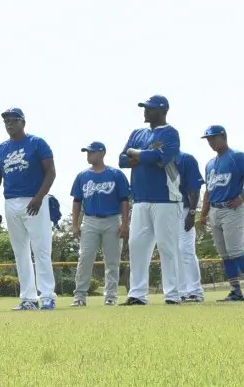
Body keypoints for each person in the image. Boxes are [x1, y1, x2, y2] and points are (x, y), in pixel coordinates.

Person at [0, 107, 57, 311]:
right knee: (20, 251)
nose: (9, 124)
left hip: (34, 200)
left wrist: (40, 197)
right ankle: (28, 298)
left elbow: (51, 172)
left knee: (41, 249)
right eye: (6, 121)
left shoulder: (36, 143)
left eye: (13, 120)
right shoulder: (0, 149)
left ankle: (48, 296)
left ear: (23, 122)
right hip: (11, 201)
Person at [119, 94, 184, 306]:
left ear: (162, 110)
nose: (145, 111)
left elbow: (159, 158)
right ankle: (137, 294)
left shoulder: (171, 133)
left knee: (167, 247)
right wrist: (142, 155)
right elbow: (121, 160)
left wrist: (136, 154)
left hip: (165, 198)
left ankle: (173, 294)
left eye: (149, 108)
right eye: (144, 108)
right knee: (137, 246)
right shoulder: (137, 133)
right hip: (140, 198)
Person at [196, 125, 244, 301]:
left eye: (214, 138)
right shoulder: (210, 163)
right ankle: (235, 290)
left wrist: (243, 196)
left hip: (233, 209)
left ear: (223, 136)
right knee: (224, 253)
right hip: (215, 209)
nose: (211, 142)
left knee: (236, 250)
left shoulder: (237, 156)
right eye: (208, 139)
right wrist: (204, 213)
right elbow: (209, 189)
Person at [68, 142, 131, 306]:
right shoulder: (82, 175)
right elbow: (77, 201)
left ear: (102, 153)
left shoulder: (116, 174)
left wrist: (125, 223)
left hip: (112, 219)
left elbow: (125, 200)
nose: (88, 155)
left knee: (112, 261)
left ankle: (111, 296)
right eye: (87, 152)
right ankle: (80, 297)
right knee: (85, 258)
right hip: (90, 220)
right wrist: (75, 224)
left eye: (92, 152)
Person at [175, 148, 206, 303]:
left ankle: (195, 291)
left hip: (184, 208)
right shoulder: (156, 159)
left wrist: (192, 213)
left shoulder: (186, 159)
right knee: (174, 252)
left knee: (186, 250)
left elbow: (195, 188)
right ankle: (181, 291)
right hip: (165, 210)